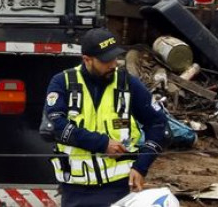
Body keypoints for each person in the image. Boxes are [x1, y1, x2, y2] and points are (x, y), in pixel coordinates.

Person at [42, 28, 168, 207]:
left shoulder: (127, 83)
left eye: (115, 58)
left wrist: (141, 167)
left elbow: (158, 124)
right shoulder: (62, 82)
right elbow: (56, 127)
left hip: (118, 190)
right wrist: (102, 144)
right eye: (106, 60)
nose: (113, 64)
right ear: (87, 60)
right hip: (75, 191)